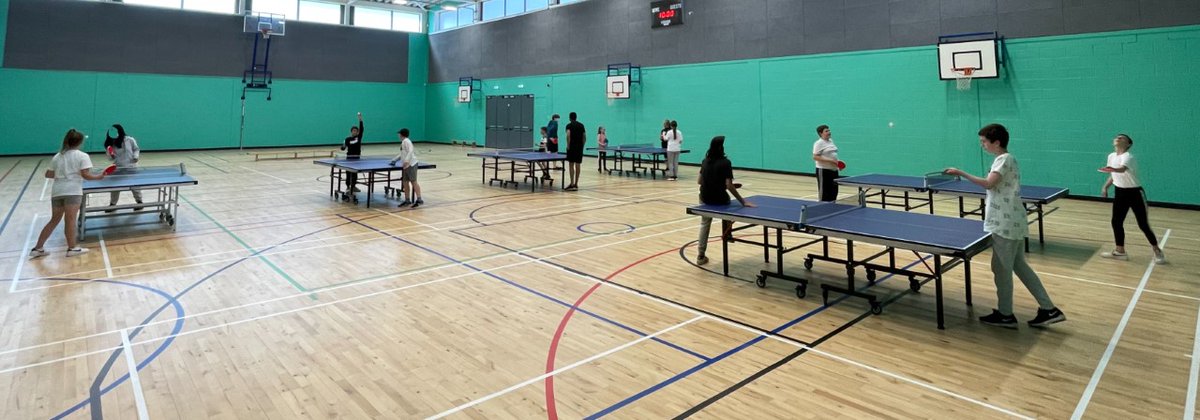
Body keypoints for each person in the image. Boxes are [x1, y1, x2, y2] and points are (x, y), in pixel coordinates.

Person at [944, 124, 1066, 329]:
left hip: (1005, 222)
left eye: (984, 141)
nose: (982, 145)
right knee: (1019, 266)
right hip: (1011, 220)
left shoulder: (1004, 159)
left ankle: (1006, 315)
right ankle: (1048, 309)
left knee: (1001, 269)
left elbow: (988, 183)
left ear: (996, 142)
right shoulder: (1005, 159)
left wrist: (960, 172)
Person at [29, 129, 107, 258]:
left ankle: (38, 248)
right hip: (72, 191)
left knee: (54, 220)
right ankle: (72, 248)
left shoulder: (58, 156)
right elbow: (85, 175)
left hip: (57, 191)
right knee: (70, 220)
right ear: (79, 142)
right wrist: (99, 176)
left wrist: (63, 173)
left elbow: (48, 174)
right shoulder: (82, 156)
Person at [1100, 134, 1166, 263]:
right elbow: (1113, 174)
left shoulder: (1128, 157)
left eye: (1122, 138)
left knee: (1143, 224)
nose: (1118, 138)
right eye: (1117, 137)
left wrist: (1110, 169)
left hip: (1135, 193)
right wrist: (1105, 187)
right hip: (1120, 192)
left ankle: (1157, 250)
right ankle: (1120, 251)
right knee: (1116, 222)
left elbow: (1121, 170)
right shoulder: (1111, 156)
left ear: (1128, 144)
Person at [695, 136, 753, 266]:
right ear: (722, 148)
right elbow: (729, 186)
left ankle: (700, 255)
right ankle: (728, 233)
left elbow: (699, 181)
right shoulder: (726, 163)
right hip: (720, 198)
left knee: (705, 223)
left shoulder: (705, 161)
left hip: (704, 197)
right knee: (729, 204)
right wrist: (743, 201)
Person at [103, 124, 142, 211]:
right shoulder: (110, 143)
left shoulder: (130, 140)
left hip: (131, 167)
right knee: (115, 187)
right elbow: (109, 157)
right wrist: (111, 156)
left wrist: (136, 157)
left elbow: (136, 149)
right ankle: (112, 204)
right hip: (118, 168)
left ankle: (139, 202)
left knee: (135, 186)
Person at [388, 128, 423, 208]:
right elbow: (402, 154)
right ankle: (407, 200)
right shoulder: (403, 142)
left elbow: (411, 151)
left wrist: (407, 160)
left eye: (399, 133)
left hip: (411, 164)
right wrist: (394, 160)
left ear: (401, 134)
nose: (398, 135)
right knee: (405, 182)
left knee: (413, 181)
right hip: (405, 165)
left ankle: (419, 199)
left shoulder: (407, 141)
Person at [339, 112, 364, 201]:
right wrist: (342, 147)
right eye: (353, 131)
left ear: (357, 132)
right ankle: (348, 187)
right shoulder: (347, 139)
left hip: (357, 158)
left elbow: (362, 129)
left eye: (356, 131)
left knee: (355, 174)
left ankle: (353, 186)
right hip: (349, 158)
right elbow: (343, 147)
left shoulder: (359, 138)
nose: (354, 132)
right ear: (351, 132)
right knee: (348, 173)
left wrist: (360, 119)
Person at [812, 125, 839, 201]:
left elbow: (832, 154)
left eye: (829, 130)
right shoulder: (818, 143)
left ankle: (832, 208)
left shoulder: (831, 141)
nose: (829, 132)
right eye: (826, 131)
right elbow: (815, 157)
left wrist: (838, 163)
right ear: (821, 133)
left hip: (833, 170)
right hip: (823, 171)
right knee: (824, 193)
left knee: (834, 192)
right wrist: (831, 161)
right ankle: (822, 208)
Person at [564, 112, 586, 191]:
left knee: (571, 164)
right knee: (578, 164)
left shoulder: (569, 126)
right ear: (576, 117)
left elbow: (568, 135)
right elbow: (584, 137)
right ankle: (576, 183)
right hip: (579, 147)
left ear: (569, 118)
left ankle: (572, 183)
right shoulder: (581, 125)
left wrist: (568, 146)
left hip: (572, 147)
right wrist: (582, 145)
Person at [545, 115, 560, 180]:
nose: (558, 119)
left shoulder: (550, 122)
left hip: (550, 138)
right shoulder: (555, 123)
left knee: (550, 151)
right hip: (553, 138)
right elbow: (552, 130)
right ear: (555, 118)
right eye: (558, 118)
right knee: (555, 152)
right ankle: (554, 166)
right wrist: (552, 138)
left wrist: (549, 137)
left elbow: (548, 130)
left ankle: (547, 165)